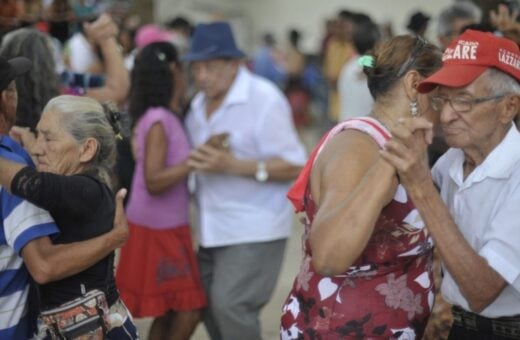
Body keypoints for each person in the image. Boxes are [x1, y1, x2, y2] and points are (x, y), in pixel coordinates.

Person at [281, 35, 443, 339]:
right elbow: (329, 256)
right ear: (414, 84)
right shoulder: (359, 148)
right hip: (340, 329)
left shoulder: (386, 142)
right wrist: (388, 163)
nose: (446, 108)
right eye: (441, 93)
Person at [380, 29, 520, 340]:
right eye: (443, 99)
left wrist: (420, 186)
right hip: (461, 327)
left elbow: (481, 291)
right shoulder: (452, 160)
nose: (445, 116)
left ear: (508, 107)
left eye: (464, 101)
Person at [184, 22, 306, 340]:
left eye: (210, 67)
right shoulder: (197, 105)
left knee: (231, 305)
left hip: (254, 224)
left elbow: (296, 164)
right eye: (196, 68)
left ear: (234, 63)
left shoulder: (263, 99)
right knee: (207, 305)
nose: (202, 77)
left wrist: (234, 165)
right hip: (210, 226)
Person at [0, 56, 128, 339]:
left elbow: (29, 183)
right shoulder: (76, 181)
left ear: (86, 150)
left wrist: (115, 239)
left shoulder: (88, 190)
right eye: (39, 136)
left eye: (49, 138)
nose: (38, 149)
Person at [116, 41, 207, 340]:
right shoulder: (158, 119)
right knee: (189, 308)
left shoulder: (162, 115)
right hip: (157, 227)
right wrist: (196, 159)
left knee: (172, 309)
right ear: (172, 72)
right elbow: (154, 181)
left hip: (166, 223)